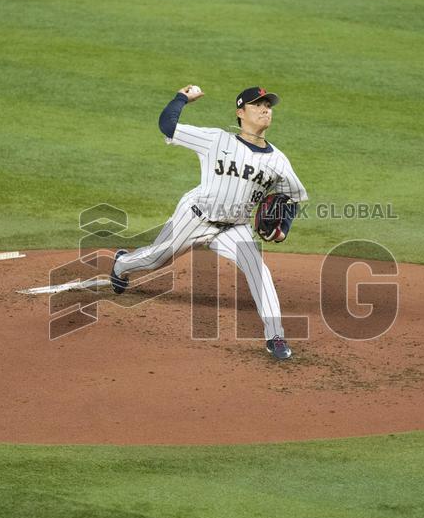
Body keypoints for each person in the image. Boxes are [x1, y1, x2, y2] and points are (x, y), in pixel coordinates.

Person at [110, 85, 309, 360]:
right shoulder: (216, 140)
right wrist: (182, 98)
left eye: (268, 105)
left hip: (235, 228)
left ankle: (275, 336)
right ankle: (122, 264)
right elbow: (168, 126)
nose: (265, 109)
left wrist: (282, 231)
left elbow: (292, 198)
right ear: (241, 112)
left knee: (259, 271)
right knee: (156, 259)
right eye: (257, 105)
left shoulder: (279, 160)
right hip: (194, 217)